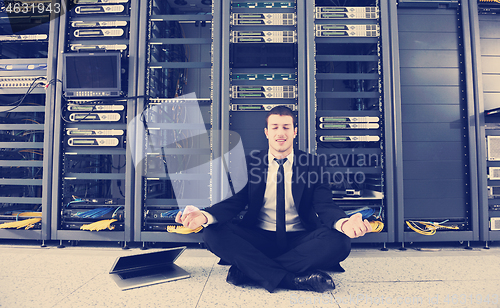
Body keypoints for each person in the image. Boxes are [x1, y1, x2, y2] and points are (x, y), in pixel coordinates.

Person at [176, 106, 372, 293]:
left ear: (294, 132)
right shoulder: (250, 163)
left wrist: (345, 223)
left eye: (286, 127)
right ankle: (292, 279)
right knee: (212, 234)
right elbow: (235, 202)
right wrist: (203, 215)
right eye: (275, 127)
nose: (281, 133)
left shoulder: (313, 165)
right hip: (258, 237)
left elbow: (325, 204)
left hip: (300, 239)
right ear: (266, 132)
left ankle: (252, 270)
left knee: (340, 242)